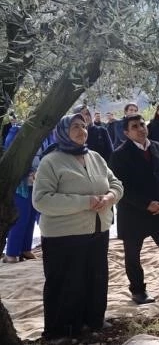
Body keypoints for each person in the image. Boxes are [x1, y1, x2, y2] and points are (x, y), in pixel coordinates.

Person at [32, 114, 123, 341]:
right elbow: (42, 200)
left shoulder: (95, 157)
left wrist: (111, 197)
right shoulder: (51, 161)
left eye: (84, 126)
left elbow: (116, 183)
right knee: (65, 283)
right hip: (64, 235)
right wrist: (85, 201)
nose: (82, 130)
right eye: (75, 127)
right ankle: (59, 330)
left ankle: (92, 321)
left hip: (98, 229)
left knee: (95, 277)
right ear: (63, 131)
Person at [109, 114, 159, 305]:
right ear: (127, 133)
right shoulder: (119, 155)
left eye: (142, 124)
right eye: (135, 126)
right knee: (133, 254)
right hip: (133, 214)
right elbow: (121, 187)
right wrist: (146, 204)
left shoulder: (158, 147)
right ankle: (138, 290)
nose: (141, 128)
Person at [3, 130, 55, 263]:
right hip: (21, 183)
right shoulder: (18, 132)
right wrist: (28, 173)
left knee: (31, 216)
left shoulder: (47, 134)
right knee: (21, 217)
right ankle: (12, 253)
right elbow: (12, 156)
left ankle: (25, 249)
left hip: (38, 181)